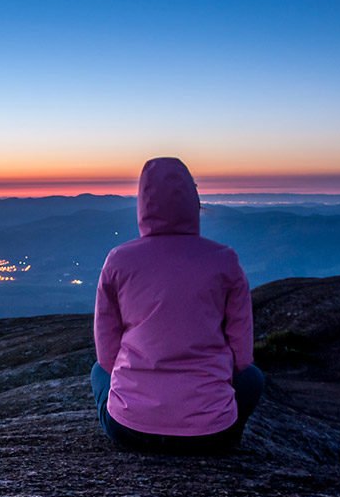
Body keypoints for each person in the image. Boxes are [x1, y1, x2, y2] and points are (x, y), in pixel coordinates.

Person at [90, 157, 264, 455]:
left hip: (130, 430)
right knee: (254, 379)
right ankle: (227, 442)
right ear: (193, 201)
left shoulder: (118, 261)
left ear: (142, 204)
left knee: (96, 372)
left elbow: (106, 357)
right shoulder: (224, 260)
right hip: (211, 434)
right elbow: (242, 357)